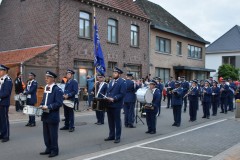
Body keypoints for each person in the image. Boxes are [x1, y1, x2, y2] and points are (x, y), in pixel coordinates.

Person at [39, 71, 63, 158]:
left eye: (48, 77)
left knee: (53, 134)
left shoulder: (57, 89)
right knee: (46, 134)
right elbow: (44, 100)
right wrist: (41, 105)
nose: (46, 79)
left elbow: (59, 103)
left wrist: (49, 107)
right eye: (46, 77)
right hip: (45, 114)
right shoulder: (46, 87)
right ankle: (48, 148)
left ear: (53, 78)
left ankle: (54, 150)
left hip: (52, 115)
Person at [104, 67, 126, 143]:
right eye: (113, 72)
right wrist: (106, 96)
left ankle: (117, 137)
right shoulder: (111, 82)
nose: (114, 74)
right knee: (110, 121)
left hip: (116, 104)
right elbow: (108, 91)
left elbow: (122, 93)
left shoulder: (122, 82)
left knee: (117, 121)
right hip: (109, 104)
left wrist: (114, 98)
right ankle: (111, 135)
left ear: (119, 74)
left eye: (115, 73)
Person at [0, 64, 13, 142]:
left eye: (0, 70)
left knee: (4, 119)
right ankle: (2, 133)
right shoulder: (1, 79)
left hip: (4, 102)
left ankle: (6, 135)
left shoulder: (8, 80)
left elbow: (6, 92)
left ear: (5, 71)